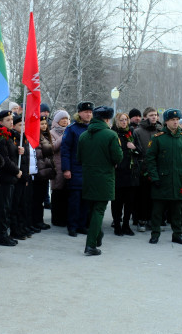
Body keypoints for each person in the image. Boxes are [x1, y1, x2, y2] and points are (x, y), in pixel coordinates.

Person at [145, 109, 182, 245]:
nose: (175, 122)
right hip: (161, 180)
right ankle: (155, 234)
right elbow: (150, 160)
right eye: (172, 120)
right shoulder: (158, 138)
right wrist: (154, 177)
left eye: (177, 120)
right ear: (166, 121)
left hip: (178, 180)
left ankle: (177, 234)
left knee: (177, 211)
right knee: (157, 210)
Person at [78, 106, 123, 255]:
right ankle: (90, 245)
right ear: (107, 119)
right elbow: (118, 157)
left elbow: (79, 158)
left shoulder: (83, 135)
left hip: (88, 177)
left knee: (92, 209)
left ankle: (97, 236)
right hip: (104, 178)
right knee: (99, 210)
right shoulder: (111, 135)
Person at [60, 102, 92, 236]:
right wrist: (66, 169)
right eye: (86, 112)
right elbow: (65, 150)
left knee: (86, 200)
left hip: (89, 170)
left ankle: (82, 225)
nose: (88, 114)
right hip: (75, 169)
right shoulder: (72, 129)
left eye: (90, 112)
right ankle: (72, 226)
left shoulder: (93, 128)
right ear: (79, 113)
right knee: (75, 200)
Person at [0, 111, 21, 246]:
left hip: (10, 178)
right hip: (4, 178)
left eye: (11, 119)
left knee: (7, 207)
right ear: (0, 122)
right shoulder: (1, 136)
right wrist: (17, 171)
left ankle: (4, 234)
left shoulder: (8, 135)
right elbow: (4, 159)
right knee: (2, 208)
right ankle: (1, 235)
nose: (11, 122)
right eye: (7, 120)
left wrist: (19, 150)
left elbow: (11, 154)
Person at [111, 111, 141, 236]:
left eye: (126, 120)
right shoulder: (113, 133)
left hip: (131, 172)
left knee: (129, 201)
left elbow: (140, 150)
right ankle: (117, 224)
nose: (124, 122)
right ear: (117, 121)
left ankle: (126, 225)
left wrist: (134, 147)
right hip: (118, 172)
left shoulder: (132, 133)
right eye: (121, 120)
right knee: (117, 201)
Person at [132, 107, 161, 232]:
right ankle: (141, 220)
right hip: (143, 168)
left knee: (154, 197)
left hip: (157, 168)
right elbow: (137, 150)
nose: (154, 117)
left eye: (155, 115)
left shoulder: (160, 130)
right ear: (145, 117)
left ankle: (151, 219)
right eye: (151, 115)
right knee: (142, 196)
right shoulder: (138, 131)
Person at [49, 110, 70, 227]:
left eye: (67, 119)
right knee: (57, 192)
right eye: (62, 119)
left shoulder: (70, 131)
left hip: (68, 166)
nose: (65, 121)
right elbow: (53, 147)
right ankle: (56, 218)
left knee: (66, 192)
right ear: (57, 121)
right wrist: (64, 136)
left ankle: (65, 217)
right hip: (57, 167)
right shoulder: (52, 132)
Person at [33, 115, 55, 229]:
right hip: (41, 172)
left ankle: (39, 220)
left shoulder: (45, 136)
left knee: (41, 197)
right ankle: (36, 221)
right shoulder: (37, 137)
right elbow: (39, 156)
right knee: (37, 198)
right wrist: (42, 171)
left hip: (45, 171)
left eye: (45, 124)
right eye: (42, 124)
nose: (44, 126)